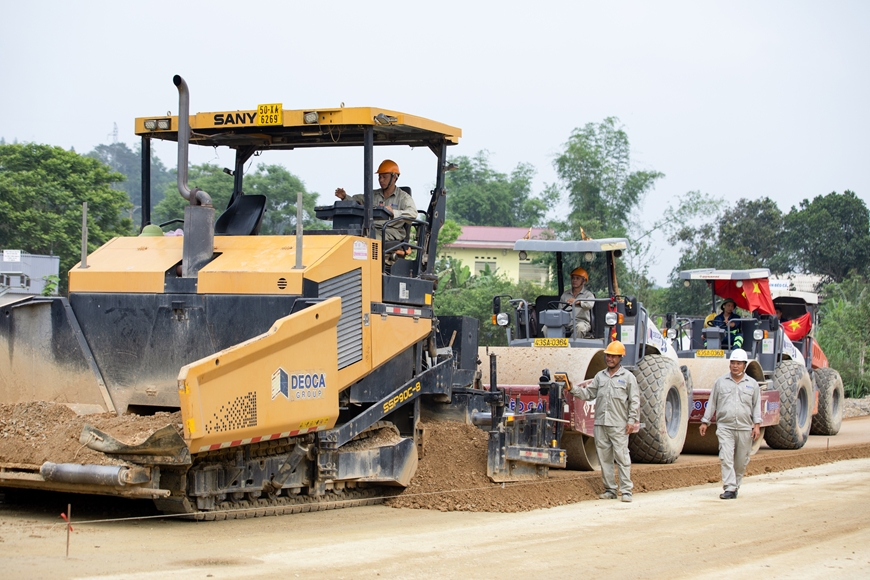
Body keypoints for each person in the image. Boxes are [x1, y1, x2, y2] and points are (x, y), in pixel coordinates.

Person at [565, 341, 640, 502]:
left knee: (622, 457)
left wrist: (631, 421)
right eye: (608, 355)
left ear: (620, 357)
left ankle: (626, 490)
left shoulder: (628, 378)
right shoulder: (600, 376)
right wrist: (572, 388)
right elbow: (588, 394)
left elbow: (634, 401)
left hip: (619, 424)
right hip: (600, 424)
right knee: (604, 458)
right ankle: (610, 489)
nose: (609, 358)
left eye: (613, 356)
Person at [698, 348, 761, 499]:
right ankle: (730, 488)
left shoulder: (752, 385)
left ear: (744, 365)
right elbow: (712, 403)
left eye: (738, 363)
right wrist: (705, 422)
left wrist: (757, 425)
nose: (735, 366)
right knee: (725, 457)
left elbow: (756, 406)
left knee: (741, 461)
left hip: (744, 428)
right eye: (733, 362)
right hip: (725, 427)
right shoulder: (720, 382)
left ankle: (735, 485)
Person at [335, 159, 417, 244]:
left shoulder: (403, 197)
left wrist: (394, 213)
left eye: (384, 177)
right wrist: (345, 197)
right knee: (349, 235)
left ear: (394, 177)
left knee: (367, 239)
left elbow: (413, 213)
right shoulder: (373, 194)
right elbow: (357, 200)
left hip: (391, 231)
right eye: (379, 177)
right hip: (372, 229)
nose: (381, 180)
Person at [560, 267, 595, 339]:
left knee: (580, 328)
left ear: (584, 281)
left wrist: (578, 302)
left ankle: (572, 348)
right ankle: (552, 349)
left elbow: (590, 305)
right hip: (566, 323)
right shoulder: (565, 295)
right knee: (546, 327)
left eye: (577, 278)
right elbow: (559, 310)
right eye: (573, 278)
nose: (574, 280)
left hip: (581, 322)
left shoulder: (588, 295)